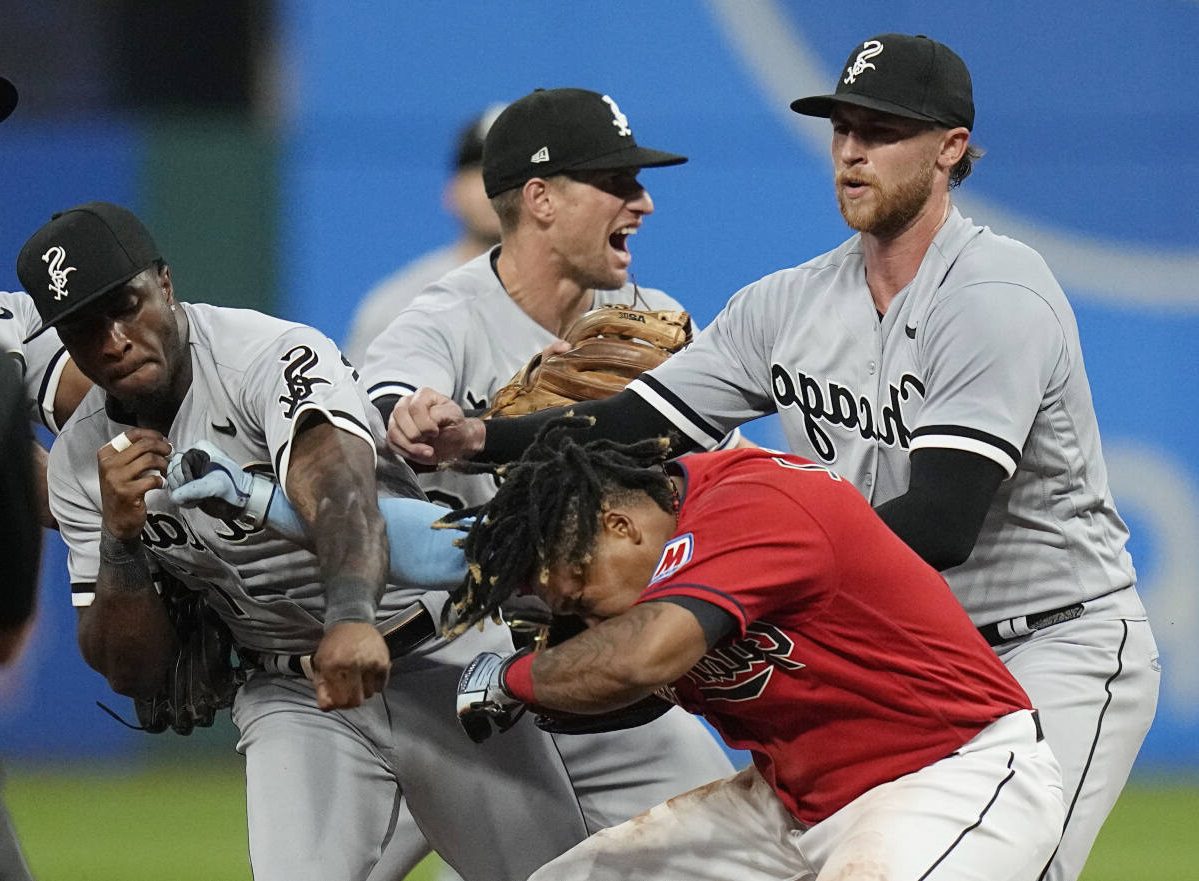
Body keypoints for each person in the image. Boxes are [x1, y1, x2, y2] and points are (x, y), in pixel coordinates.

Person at [387, 34, 1159, 881]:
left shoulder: (992, 294)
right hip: (895, 653)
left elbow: (940, 523)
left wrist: (741, 577)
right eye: (842, 128)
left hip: (1050, 637)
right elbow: (638, 420)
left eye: (883, 130)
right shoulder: (787, 303)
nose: (853, 150)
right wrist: (477, 438)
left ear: (949, 148)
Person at [17, 201, 620, 881]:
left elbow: (337, 488)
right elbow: (131, 670)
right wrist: (120, 538)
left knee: (553, 876)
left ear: (165, 282)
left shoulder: (266, 357)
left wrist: (350, 616)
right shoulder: (80, 461)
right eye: (83, 327)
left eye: (125, 305)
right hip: (292, 696)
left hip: (437, 655)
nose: (114, 339)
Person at [441, 419, 1064, 880]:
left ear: (620, 525)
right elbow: (631, 686)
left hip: (951, 778)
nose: (587, 616)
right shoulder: (644, 571)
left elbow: (640, 658)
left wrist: (511, 678)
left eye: (580, 596)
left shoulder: (754, 504)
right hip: (791, 807)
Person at [360, 86, 735, 840]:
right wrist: (420, 413)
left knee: (735, 846)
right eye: (617, 183)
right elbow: (390, 395)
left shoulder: (645, 326)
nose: (644, 202)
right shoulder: (441, 314)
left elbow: (724, 473)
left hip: (590, 661)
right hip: (439, 668)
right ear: (540, 199)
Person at [343, 104, 506, 366]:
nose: (494, 187)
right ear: (450, 192)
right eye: (479, 172)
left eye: (511, 174)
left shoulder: (580, 298)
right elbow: (357, 404)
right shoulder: (401, 303)